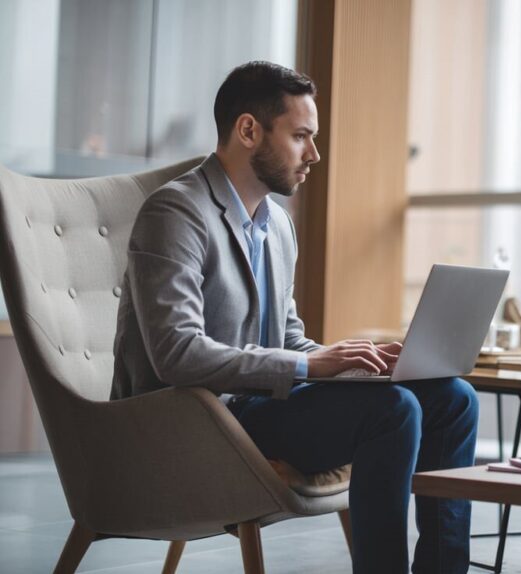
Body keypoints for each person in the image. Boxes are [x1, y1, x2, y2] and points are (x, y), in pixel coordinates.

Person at [110, 61, 478, 574]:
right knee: (392, 412)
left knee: (452, 399)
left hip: (261, 406)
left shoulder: (276, 224)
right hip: (199, 422)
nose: (315, 154)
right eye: (301, 135)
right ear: (248, 130)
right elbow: (177, 354)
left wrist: (350, 361)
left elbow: (286, 339)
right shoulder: (175, 213)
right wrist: (313, 368)